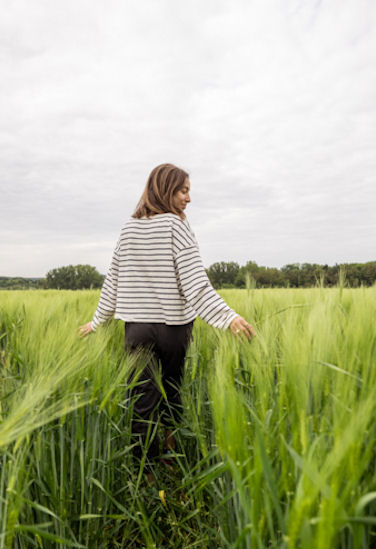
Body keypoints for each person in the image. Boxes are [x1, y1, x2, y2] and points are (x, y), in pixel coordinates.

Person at [79, 163, 255, 462]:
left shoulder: (128, 229)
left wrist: (97, 322)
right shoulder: (177, 226)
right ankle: (171, 456)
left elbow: (113, 281)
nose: (189, 199)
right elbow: (195, 283)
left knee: (141, 401)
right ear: (166, 190)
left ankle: (145, 472)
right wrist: (228, 318)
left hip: (137, 328)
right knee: (172, 391)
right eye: (184, 191)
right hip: (173, 328)